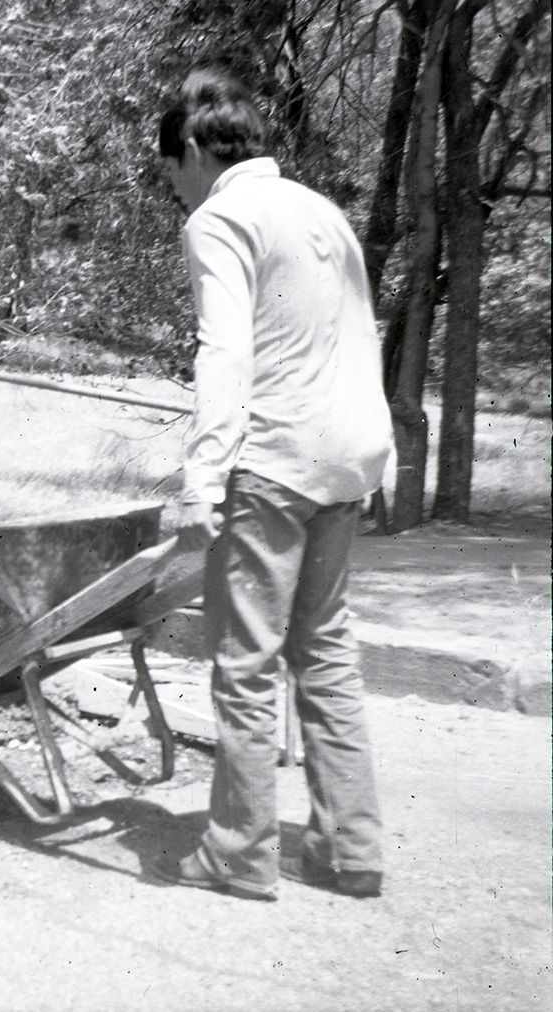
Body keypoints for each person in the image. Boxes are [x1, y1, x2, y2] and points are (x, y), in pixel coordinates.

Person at [152, 67, 394, 901]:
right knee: (325, 651)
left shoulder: (221, 217)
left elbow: (224, 352)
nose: (175, 191)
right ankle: (351, 848)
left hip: (276, 462)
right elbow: (362, 334)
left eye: (170, 172)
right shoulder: (321, 210)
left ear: (191, 149)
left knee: (245, 662)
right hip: (348, 457)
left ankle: (239, 853)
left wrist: (201, 481)